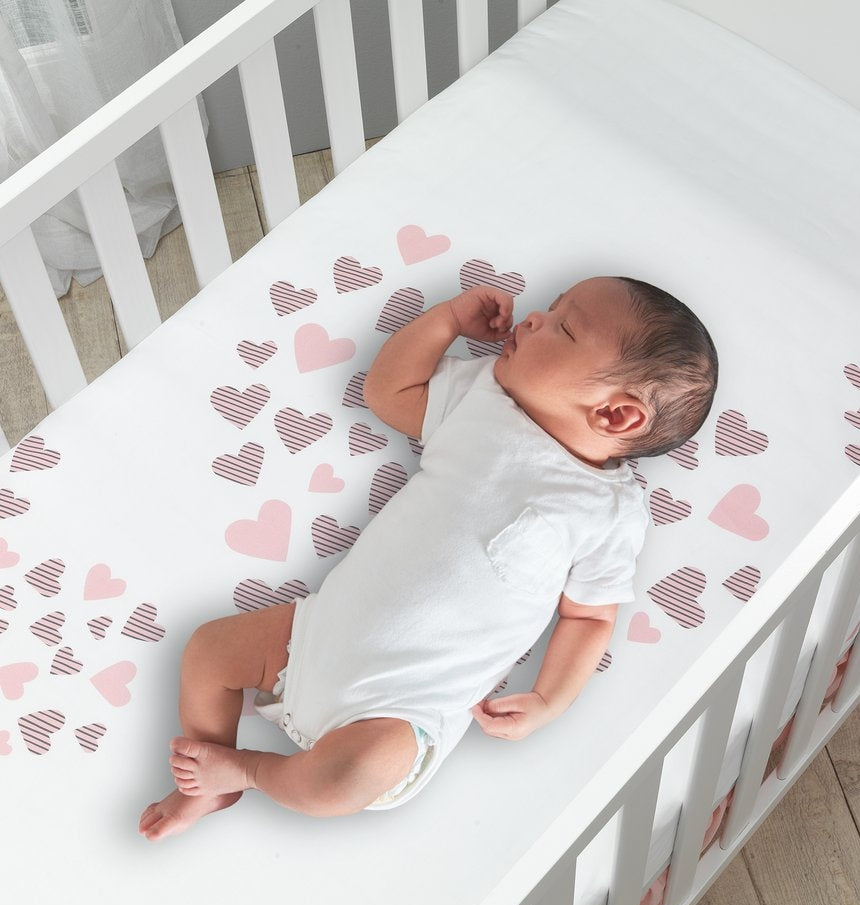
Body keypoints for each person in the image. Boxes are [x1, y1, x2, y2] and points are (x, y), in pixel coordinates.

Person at [138, 276, 717, 841]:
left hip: (401, 710)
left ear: (615, 415)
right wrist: (447, 320)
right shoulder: (483, 397)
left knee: (344, 781)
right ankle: (208, 778)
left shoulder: (608, 512)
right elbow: (388, 392)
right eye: (551, 306)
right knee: (209, 650)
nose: (534, 318)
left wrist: (549, 699)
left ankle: (248, 772)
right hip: (311, 637)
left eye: (563, 328)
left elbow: (589, 617)